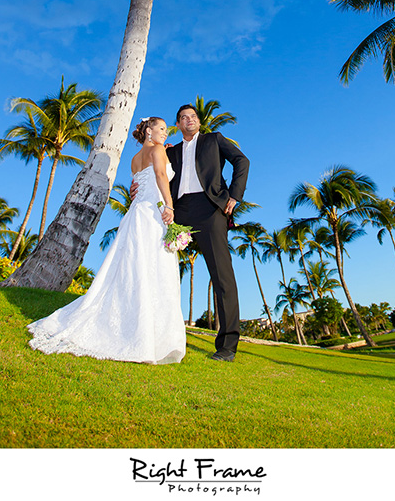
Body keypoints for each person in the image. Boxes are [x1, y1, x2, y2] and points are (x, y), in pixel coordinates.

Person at [26, 116, 186, 364]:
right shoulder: (156, 150)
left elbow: (138, 186)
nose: (166, 133)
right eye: (162, 129)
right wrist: (170, 207)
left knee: (133, 269)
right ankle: (147, 334)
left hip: (136, 214)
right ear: (148, 131)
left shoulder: (135, 158)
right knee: (153, 270)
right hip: (153, 214)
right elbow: (160, 175)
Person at [133, 103, 250, 362]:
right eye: (183, 118)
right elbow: (155, 173)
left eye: (193, 116)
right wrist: (137, 188)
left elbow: (242, 160)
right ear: (178, 125)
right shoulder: (169, 151)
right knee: (158, 269)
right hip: (178, 211)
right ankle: (153, 333)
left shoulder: (213, 140)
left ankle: (227, 346)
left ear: (198, 121)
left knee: (222, 277)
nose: (189, 120)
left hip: (209, 210)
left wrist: (234, 195)